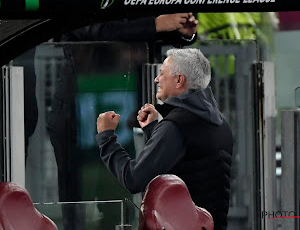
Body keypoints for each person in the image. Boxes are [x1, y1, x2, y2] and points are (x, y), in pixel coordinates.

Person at [46, 13, 198, 229]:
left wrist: (182, 33)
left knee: (121, 194)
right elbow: (90, 29)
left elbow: (156, 38)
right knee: (79, 199)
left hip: (129, 98)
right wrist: (155, 24)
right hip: (81, 102)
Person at [96, 48, 233, 230]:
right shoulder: (221, 124)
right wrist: (154, 129)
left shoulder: (176, 127)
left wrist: (106, 137)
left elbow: (133, 179)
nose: (156, 79)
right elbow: (191, 165)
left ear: (179, 80)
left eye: (162, 73)